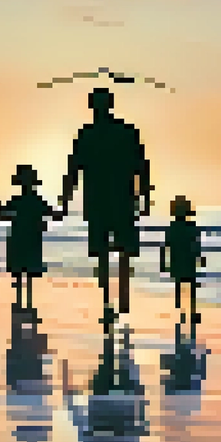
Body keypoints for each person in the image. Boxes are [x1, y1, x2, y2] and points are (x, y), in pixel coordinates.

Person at [59, 88, 151, 315]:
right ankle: (119, 295)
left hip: (101, 198)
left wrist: (66, 199)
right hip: (120, 198)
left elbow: (73, 169)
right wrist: (145, 196)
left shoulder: (87, 134)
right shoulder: (125, 132)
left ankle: (108, 297)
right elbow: (142, 166)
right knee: (122, 250)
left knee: (104, 251)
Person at [0, 164, 59, 307]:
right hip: (32, 239)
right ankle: (28, 302)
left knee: (19, 273)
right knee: (29, 272)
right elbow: (53, 214)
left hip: (18, 239)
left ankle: (20, 301)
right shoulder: (37, 200)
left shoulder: (16, 200)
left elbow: (2, 215)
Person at [160, 195, 205, 319]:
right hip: (188, 258)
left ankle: (179, 308)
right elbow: (196, 244)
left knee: (179, 283)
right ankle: (191, 309)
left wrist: (163, 263)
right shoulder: (191, 227)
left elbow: (165, 247)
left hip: (177, 259)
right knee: (191, 284)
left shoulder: (172, 228)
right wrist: (200, 257)